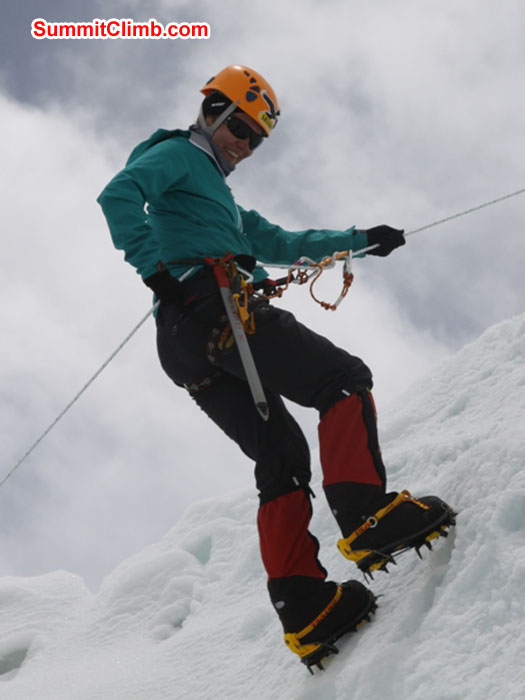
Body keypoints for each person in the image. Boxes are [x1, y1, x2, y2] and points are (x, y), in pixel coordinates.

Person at [98, 65, 455, 670]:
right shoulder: (179, 155)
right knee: (341, 379)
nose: (243, 142)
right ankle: (367, 516)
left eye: (255, 137)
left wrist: (361, 239)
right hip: (213, 309)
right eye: (238, 125)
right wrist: (155, 269)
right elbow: (119, 193)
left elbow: (285, 241)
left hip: (184, 339)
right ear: (209, 110)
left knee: (281, 457)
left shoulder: (222, 203)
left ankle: (306, 607)